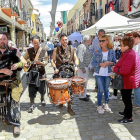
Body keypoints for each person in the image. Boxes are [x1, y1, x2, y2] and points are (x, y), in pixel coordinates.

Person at [111, 36, 140, 123]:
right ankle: (126, 112)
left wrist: (114, 69)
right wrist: (115, 65)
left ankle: (129, 117)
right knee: (125, 97)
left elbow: (125, 70)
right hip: (126, 79)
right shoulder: (127, 53)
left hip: (128, 80)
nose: (120, 46)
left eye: (122, 45)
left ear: (127, 46)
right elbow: (120, 63)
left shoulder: (130, 54)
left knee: (126, 99)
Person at [0, 33, 24, 135]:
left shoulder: (14, 51)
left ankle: (16, 124)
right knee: (1, 103)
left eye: (4, 39)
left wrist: (17, 64)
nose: (2, 41)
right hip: (0, 82)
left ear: (7, 40)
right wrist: (2, 70)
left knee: (15, 103)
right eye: (0, 40)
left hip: (13, 82)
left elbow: (23, 63)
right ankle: (4, 118)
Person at [51, 33, 79, 115]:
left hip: (70, 71)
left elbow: (76, 58)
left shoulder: (72, 48)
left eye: (66, 40)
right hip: (60, 71)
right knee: (61, 89)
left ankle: (69, 107)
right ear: (60, 41)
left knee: (70, 90)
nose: (64, 41)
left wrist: (76, 66)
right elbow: (52, 60)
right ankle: (61, 102)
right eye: (63, 40)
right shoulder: (56, 49)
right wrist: (55, 68)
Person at [92, 35, 116, 114]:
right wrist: (100, 64)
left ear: (107, 41)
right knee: (101, 89)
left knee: (107, 89)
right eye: (100, 41)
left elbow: (115, 62)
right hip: (99, 73)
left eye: (103, 41)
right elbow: (93, 63)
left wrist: (110, 63)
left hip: (108, 73)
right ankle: (99, 106)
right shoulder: (97, 51)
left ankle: (106, 104)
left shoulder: (112, 51)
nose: (101, 42)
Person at [23, 35, 48, 113]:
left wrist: (41, 63)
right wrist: (26, 63)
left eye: (37, 43)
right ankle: (31, 103)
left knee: (42, 87)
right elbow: (23, 58)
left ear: (39, 42)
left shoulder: (44, 50)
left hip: (41, 71)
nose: (36, 44)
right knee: (31, 88)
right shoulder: (29, 50)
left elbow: (46, 60)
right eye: (34, 43)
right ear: (32, 42)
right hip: (32, 72)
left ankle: (42, 98)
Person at [77, 35, 92, 101]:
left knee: (84, 81)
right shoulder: (82, 46)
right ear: (87, 41)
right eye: (91, 40)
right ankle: (82, 95)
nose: (91, 42)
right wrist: (82, 67)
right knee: (82, 81)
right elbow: (79, 57)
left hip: (85, 66)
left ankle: (84, 93)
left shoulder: (85, 46)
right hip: (82, 67)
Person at [109, 35, 123, 100]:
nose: (119, 40)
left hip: (121, 66)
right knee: (114, 80)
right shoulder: (117, 47)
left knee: (121, 81)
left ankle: (122, 95)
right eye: (118, 39)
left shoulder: (124, 49)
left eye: (120, 39)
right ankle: (115, 95)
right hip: (116, 65)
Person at [131, 31, 140, 115]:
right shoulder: (136, 46)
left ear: (137, 38)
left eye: (133, 38)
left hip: (138, 71)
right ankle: (136, 102)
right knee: (136, 87)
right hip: (136, 71)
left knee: (137, 88)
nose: (132, 40)